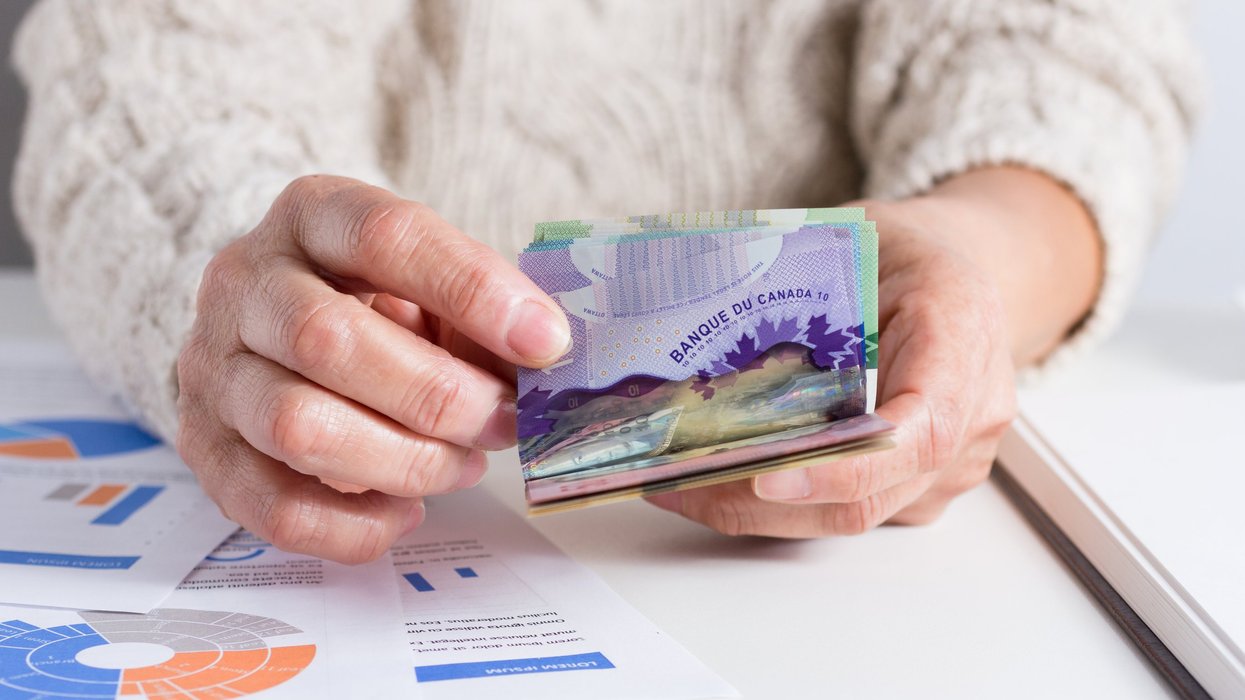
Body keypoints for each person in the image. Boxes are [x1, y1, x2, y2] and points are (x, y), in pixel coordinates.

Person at [12, 1, 1200, 563]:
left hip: (870, 550)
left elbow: (1073, 53)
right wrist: (250, 277)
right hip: (420, 529)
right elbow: (151, 74)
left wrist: (982, 250)